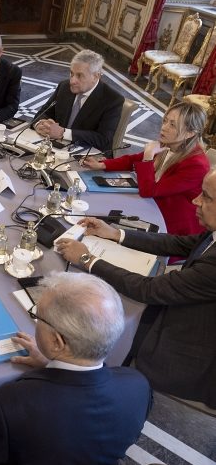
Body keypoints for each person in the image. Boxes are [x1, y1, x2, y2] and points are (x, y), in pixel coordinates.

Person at [0, 272, 151, 465]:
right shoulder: (138, 385)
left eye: (38, 316)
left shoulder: (10, 405)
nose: (35, 321)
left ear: (57, 341)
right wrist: (48, 362)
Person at [56, 169, 216, 409]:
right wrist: (115, 233)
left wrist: (87, 260)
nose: (196, 200)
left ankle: (102, 404)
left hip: (186, 350)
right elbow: (180, 244)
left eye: (206, 197)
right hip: (186, 315)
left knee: (97, 333)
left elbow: (147, 290)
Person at [84, 102, 209, 237]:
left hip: (171, 223)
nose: (164, 127)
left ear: (190, 133)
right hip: (151, 204)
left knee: (101, 222)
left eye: (172, 125)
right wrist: (103, 164)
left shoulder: (196, 165)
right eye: (165, 121)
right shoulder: (171, 144)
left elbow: (149, 191)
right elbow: (134, 160)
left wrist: (148, 156)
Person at [34, 49, 123, 154]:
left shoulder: (112, 99)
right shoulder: (64, 86)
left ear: (96, 76)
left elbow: (103, 139)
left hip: (90, 155)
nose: (72, 81)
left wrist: (63, 133)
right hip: (57, 148)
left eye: (79, 75)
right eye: (71, 73)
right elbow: (43, 113)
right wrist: (40, 124)